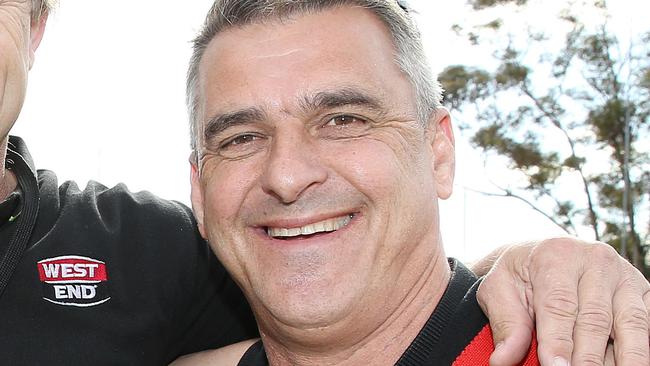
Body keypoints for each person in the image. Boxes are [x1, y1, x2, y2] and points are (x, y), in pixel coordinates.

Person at [0, 1, 647, 365]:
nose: (286, 175)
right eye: (241, 137)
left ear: (439, 151)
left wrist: (543, 266)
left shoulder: (591, 348)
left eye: (342, 119)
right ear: (200, 192)